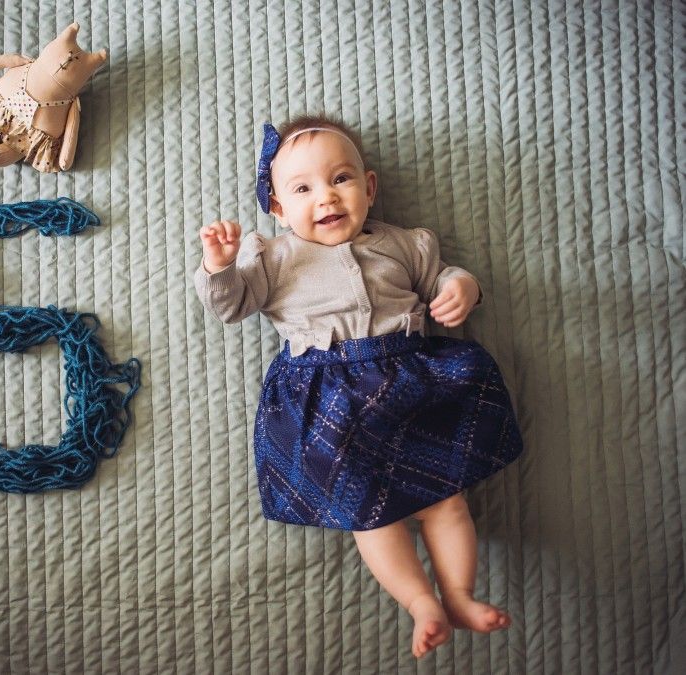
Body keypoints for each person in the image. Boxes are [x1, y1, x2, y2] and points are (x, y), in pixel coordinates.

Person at [194, 114, 524, 659]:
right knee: (371, 511)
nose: (326, 197)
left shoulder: (405, 244)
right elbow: (231, 306)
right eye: (302, 189)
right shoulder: (271, 256)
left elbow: (440, 279)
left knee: (446, 499)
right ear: (277, 208)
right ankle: (421, 601)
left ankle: (459, 594)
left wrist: (462, 286)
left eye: (341, 179)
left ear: (368, 188)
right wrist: (219, 265)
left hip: (412, 379)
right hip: (329, 396)